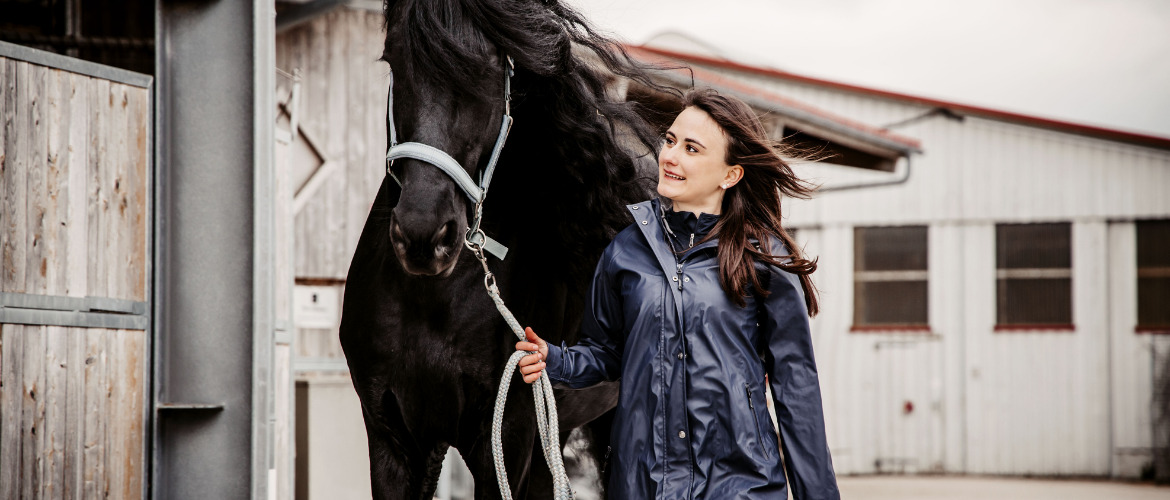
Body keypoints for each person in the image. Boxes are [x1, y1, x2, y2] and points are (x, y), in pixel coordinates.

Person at [516, 88, 840, 499]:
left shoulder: (764, 257)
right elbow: (608, 352)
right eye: (669, 141)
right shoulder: (625, 251)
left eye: (691, 148)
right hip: (642, 483)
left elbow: (796, 387)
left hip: (740, 483)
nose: (669, 156)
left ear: (730, 174)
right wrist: (555, 360)